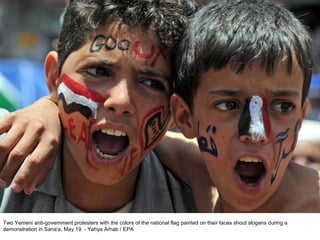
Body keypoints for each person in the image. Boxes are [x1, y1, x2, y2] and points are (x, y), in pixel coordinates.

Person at [0, 0, 204, 213]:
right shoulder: (6, 156)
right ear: (54, 77)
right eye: (98, 72)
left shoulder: (202, 199)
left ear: (175, 109)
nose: (121, 100)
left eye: (151, 83)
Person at [169, 0, 320, 212]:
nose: (256, 132)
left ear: (300, 118)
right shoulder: (197, 178)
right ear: (185, 117)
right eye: (229, 105)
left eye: (283, 107)